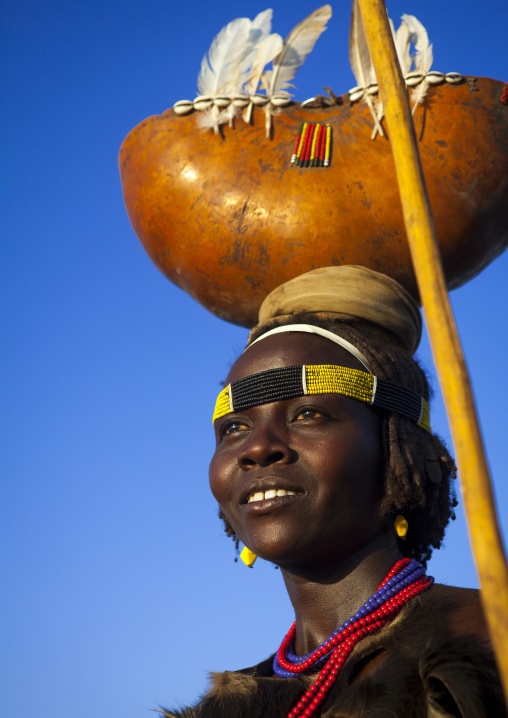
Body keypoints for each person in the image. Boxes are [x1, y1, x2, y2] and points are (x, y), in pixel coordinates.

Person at [161, 266, 507, 718]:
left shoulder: (490, 637)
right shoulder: (225, 710)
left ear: (400, 449)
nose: (258, 447)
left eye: (308, 415)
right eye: (235, 427)